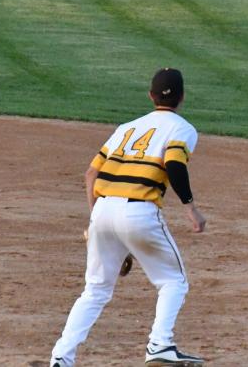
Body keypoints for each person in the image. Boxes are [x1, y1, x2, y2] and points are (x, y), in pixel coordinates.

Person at [50, 68, 207, 367]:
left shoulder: (126, 127)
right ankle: (160, 344)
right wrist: (190, 208)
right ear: (183, 97)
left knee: (95, 290)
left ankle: (61, 358)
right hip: (139, 211)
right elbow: (174, 165)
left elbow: (91, 173)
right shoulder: (182, 128)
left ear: (150, 96)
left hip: (102, 210)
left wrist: (96, 219)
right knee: (173, 281)